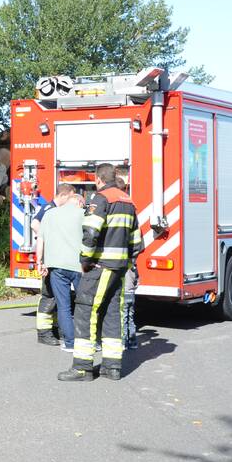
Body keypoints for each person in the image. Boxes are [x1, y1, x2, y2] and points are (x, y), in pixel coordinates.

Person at [58, 163, 142, 382]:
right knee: (112, 313)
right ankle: (112, 367)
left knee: (85, 310)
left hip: (101, 266)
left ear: (98, 179)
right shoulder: (127, 200)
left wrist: (85, 260)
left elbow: (90, 233)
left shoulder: (101, 199)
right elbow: (136, 240)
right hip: (120, 269)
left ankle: (82, 368)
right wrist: (128, 262)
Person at [36, 184, 85, 353]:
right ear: (77, 202)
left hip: (56, 266)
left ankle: (70, 343)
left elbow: (40, 240)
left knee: (63, 306)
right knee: (85, 304)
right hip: (80, 266)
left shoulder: (49, 214)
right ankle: (88, 341)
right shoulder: (83, 214)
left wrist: (39, 262)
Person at [116, 166, 140, 350]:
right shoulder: (131, 209)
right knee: (129, 311)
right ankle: (131, 340)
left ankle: (123, 341)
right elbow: (138, 243)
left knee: (121, 311)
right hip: (130, 271)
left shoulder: (109, 208)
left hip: (119, 274)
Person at [31, 197, 59, 346]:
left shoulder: (56, 209)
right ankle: (44, 332)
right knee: (49, 294)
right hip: (49, 258)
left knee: (56, 295)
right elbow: (34, 223)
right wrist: (49, 237)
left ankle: (54, 329)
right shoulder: (50, 208)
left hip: (55, 258)